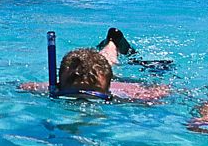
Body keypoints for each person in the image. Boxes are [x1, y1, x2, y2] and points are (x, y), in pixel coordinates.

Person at [19, 28, 171, 103]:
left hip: (114, 78)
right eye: (72, 96)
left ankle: (114, 41)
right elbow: (23, 86)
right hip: (102, 76)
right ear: (58, 86)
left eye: (94, 98)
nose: (82, 103)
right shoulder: (49, 88)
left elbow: (167, 91)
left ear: (108, 89)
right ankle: (111, 42)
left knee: (109, 65)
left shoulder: (128, 93)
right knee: (101, 64)